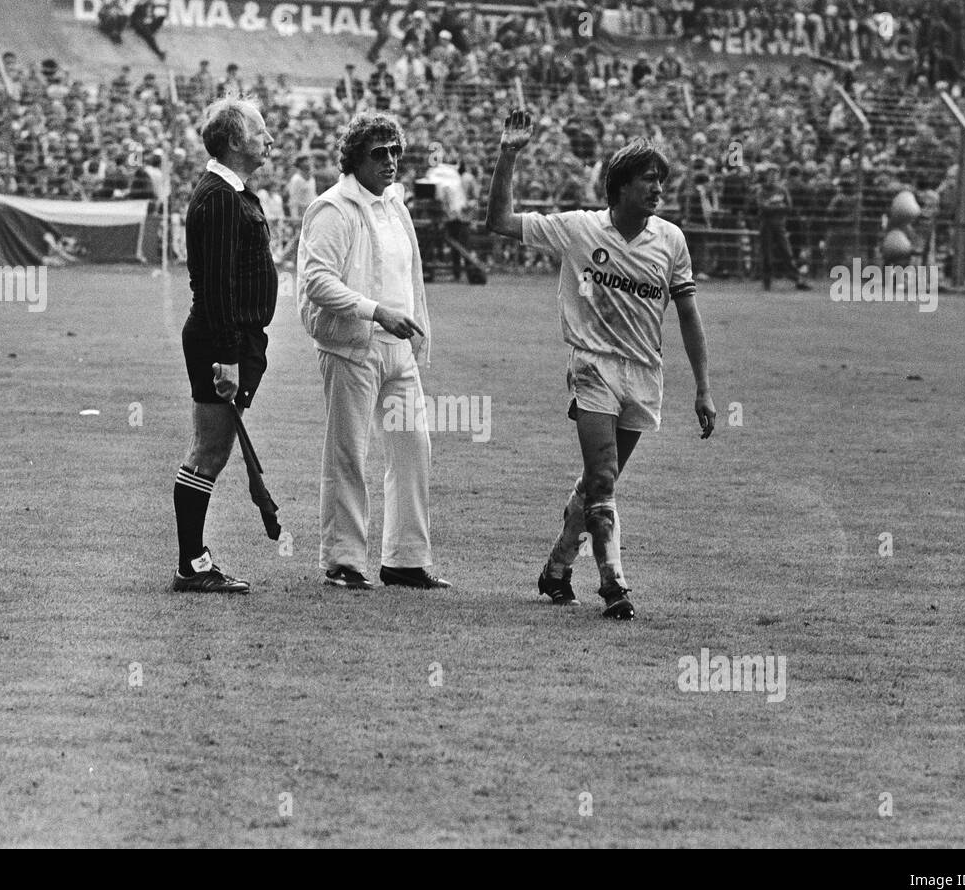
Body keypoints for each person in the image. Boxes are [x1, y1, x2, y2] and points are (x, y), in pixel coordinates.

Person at [485, 109, 716, 620]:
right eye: (648, 179)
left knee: (595, 482)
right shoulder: (578, 230)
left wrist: (703, 388)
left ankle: (556, 569)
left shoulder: (671, 240)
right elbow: (499, 222)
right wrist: (509, 154)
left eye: (661, 179)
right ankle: (614, 585)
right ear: (620, 186)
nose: (658, 188)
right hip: (592, 365)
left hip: (644, 372)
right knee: (605, 477)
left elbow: (688, 313)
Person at [297, 112, 449, 591]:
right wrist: (375, 310)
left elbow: (410, 275)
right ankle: (343, 560)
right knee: (348, 453)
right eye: (379, 153)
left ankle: (405, 559)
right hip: (351, 346)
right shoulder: (332, 208)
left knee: (413, 450)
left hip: (399, 349)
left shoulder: (393, 205)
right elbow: (318, 281)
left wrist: (412, 326)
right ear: (354, 159)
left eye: (395, 151)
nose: (391, 161)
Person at [171, 98, 278, 594]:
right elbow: (217, 289)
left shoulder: (228, 193)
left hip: (230, 341)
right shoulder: (219, 198)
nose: (269, 138)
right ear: (235, 141)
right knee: (210, 451)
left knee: (211, 450)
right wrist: (229, 357)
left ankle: (192, 562)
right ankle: (191, 564)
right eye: (259, 131)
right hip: (222, 343)